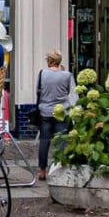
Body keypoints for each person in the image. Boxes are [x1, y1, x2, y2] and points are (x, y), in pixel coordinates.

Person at [34, 51, 74, 181]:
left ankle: (42, 170)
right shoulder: (67, 75)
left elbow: (37, 91)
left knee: (44, 141)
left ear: (49, 60)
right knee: (61, 140)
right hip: (62, 111)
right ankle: (59, 169)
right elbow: (70, 92)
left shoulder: (42, 74)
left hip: (45, 111)